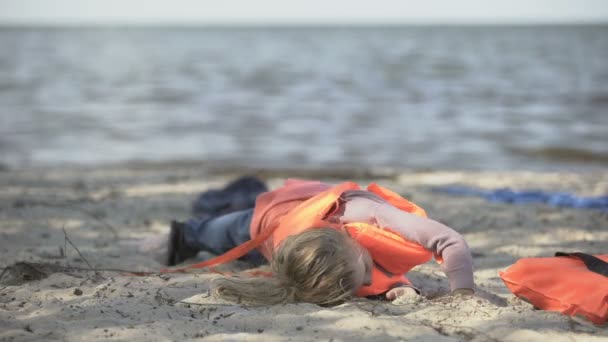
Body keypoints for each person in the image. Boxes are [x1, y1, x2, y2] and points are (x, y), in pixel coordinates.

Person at [164, 178, 475, 305]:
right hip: (270, 222)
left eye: (364, 275)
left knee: (240, 232)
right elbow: (451, 241)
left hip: (288, 225)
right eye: (366, 272)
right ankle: (183, 230)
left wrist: (458, 291)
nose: (371, 280)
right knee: (210, 233)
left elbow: (449, 241)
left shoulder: (368, 226)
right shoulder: (365, 221)